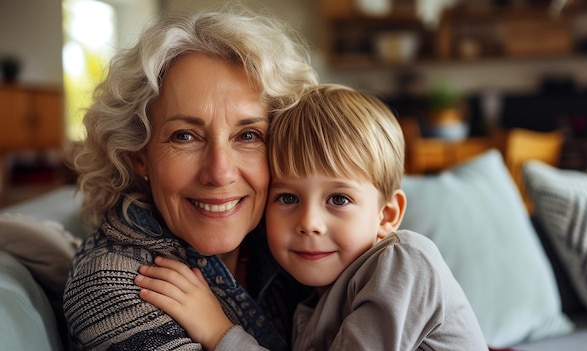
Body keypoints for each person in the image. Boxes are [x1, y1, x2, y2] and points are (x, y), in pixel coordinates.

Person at [136, 84, 489, 350]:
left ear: (387, 214)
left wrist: (218, 332)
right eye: (288, 197)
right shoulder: (310, 298)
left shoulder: (405, 263)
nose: (309, 222)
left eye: (338, 199)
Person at [62, 6, 318, 351]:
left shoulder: (296, 238)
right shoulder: (114, 285)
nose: (220, 172)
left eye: (248, 136)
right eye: (185, 136)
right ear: (140, 157)